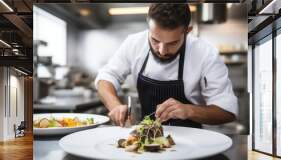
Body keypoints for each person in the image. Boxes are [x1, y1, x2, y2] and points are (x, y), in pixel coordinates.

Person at [95, 3, 237, 128]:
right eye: (155, 40)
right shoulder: (134, 43)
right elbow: (106, 77)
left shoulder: (206, 54)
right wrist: (115, 106)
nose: (162, 51)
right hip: (146, 136)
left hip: (192, 143)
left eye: (172, 43)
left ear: (187, 31)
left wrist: (190, 110)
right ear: (148, 24)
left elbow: (227, 111)